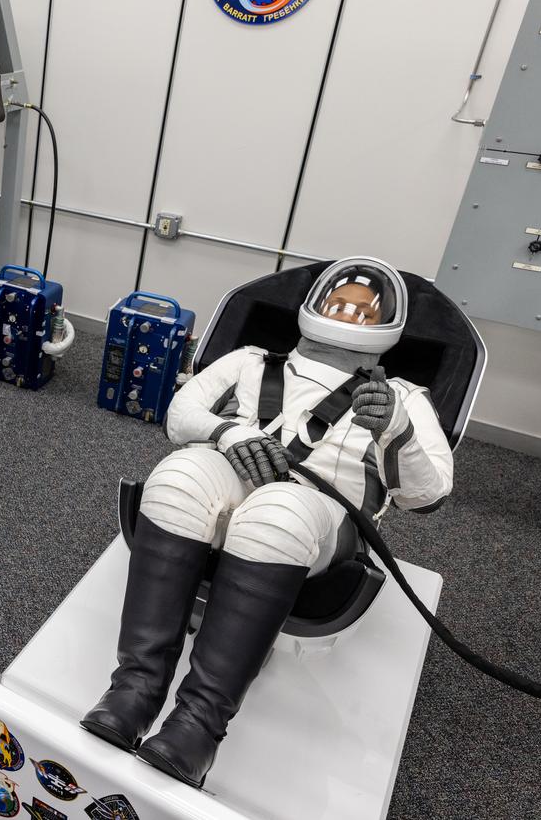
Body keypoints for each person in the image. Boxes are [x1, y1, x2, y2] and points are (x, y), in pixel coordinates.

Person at [81, 257, 454, 788]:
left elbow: (428, 495)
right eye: (340, 303)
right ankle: (135, 689)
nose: (348, 313)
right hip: (237, 466)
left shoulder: (403, 400)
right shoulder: (251, 362)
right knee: (179, 476)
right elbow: (181, 416)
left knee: (276, 514)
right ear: (314, 306)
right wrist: (228, 432)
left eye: (362, 309)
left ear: (387, 326)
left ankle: (198, 725)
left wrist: (395, 432)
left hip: (324, 513)